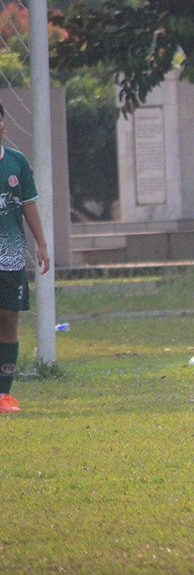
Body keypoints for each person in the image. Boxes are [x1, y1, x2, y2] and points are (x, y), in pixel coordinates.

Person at [0, 102, 51, 413]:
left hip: (10, 259)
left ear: (4, 124)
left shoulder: (17, 163)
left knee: (8, 324)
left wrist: (41, 243)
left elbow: (28, 205)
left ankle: (3, 396)